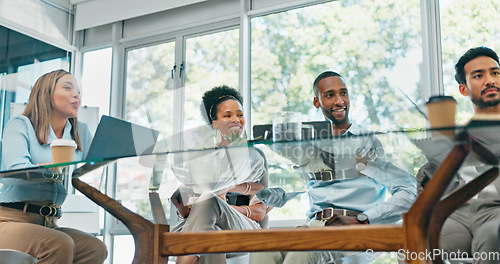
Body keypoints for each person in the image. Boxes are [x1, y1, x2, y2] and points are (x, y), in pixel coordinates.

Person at [250, 71, 417, 263]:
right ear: (317, 102)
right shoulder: (309, 147)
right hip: (316, 227)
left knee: (301, 255)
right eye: (330, 95)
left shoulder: (367, 141)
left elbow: (409, 190)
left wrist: (363, 219)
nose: (339, 101)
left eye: (343, 93)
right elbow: (309, 185)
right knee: (262, 248)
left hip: (355, 231)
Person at [0, 69, 107, 263]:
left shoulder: (80, 131)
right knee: (59, 243)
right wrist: (48, 169)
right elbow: (16, 169)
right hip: (8, 219)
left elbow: (90, 169)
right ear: (46, 94)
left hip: (49, 222)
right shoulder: (21, 125)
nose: (76, 95)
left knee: (95, 249)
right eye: (68, 88)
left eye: (79, 91)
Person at [171, 85, 271, 264]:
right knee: (211, 234)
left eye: (240, 115)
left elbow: (260, 211)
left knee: (209, 201)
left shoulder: (254, 157)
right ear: (214, 124)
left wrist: (220, 207)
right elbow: (190, 210)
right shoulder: (200, 159)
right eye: (228, 115)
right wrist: (183, 208)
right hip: (204, 227)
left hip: (244, 228)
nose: (236, 120)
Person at [418, 46, 500, 264]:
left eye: (495, 73)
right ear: (464, 89)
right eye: (478, 75)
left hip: (495, 211)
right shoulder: (459, 137)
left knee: (493, 237)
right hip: (457, 213)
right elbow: (430, 180)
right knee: (416, 244)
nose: (490, 80)